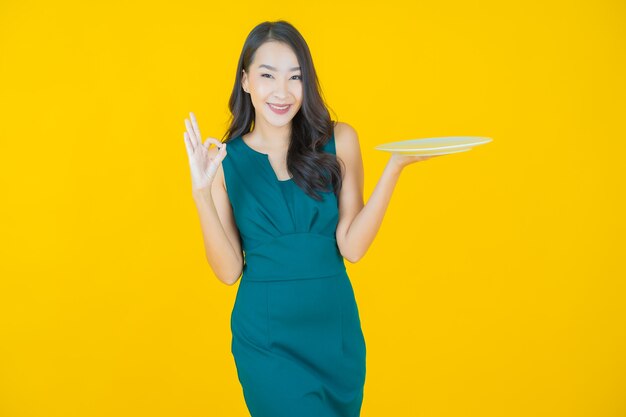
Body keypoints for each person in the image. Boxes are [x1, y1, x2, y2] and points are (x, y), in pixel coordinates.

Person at [183, 20, 439, 417]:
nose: (282, 91)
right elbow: (228, 271)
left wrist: (394, 168)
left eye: (295, 77)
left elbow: (352, 247)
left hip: (333, 334)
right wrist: (201, 192)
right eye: (267, 75)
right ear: (246, 80)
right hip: (266, 340)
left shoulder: (340, 141)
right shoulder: (224, 161)